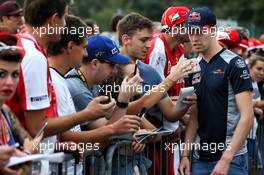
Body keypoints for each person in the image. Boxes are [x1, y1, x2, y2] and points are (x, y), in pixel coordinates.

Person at [47, 16, 141, 175]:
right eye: (83, 47)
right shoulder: (69, 85)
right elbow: (101, 136)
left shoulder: (64, 80)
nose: (85, 53)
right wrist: (122, 104)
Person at [117, 12, 196, 175]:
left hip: (138, 160)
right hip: (111, 159)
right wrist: (170, 80)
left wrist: (186, 101)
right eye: (143, 40)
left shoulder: (149, 71)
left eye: (149, 39)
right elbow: (124, 108)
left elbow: (171, 113)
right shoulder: (108, 69)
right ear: (126, 39)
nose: (148, 45)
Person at [179, 6, 254, 175]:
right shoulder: (193, 67)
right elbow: (194, 117)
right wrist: (185, 155)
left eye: (199, 31)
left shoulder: (234, 63)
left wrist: (226, 158)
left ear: (213, 30)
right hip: (199, 158)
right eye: (190, 32)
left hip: (230, 158)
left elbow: (247, 117)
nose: (194, 37)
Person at [144, 6, 190, 174]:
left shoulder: (179, 48)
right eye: (189, 24)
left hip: (170, 123)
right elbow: (154, 93)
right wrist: (171, 123)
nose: (194, 29)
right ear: (177, 27)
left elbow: (177, 87)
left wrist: (180, 115)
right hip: (156, 125)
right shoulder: (158, 48)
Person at [0, 30, 41, 175]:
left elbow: (34, 145)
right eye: (1, 74)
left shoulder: (5, 111)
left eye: (15, 74)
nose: (10, 82)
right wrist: (27, 156)